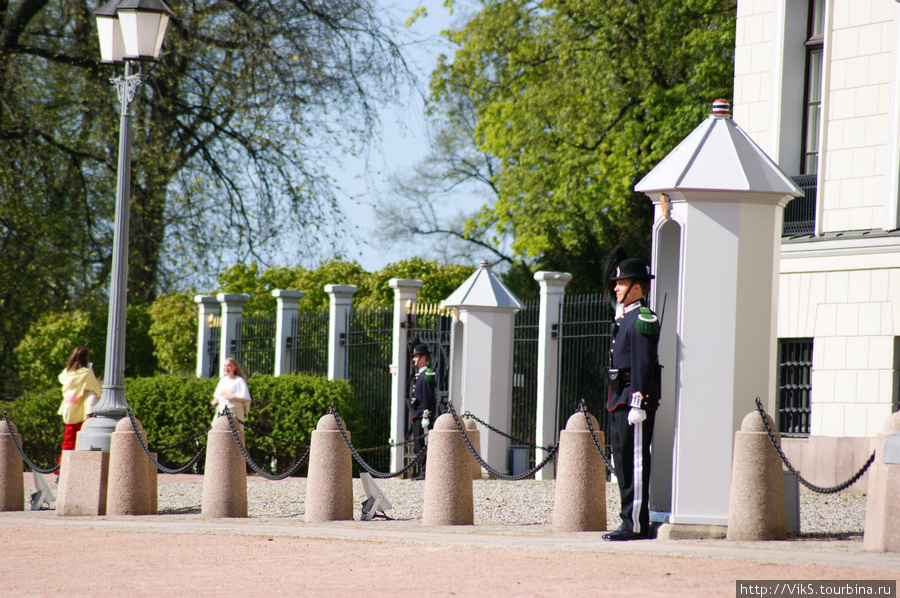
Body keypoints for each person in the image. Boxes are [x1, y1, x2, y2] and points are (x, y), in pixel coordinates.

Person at [603, 257, 660, 541]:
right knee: (623, 463)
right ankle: (629, 520)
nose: (616, 288)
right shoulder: (625, 317)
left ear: (637, 287)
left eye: (621, 283)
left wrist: (638, 401)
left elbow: (643, 364)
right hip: (618, 399)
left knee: (635, 462)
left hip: (632, 401)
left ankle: (636, 524)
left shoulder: (642, 319)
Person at [57, 347, 103, 466]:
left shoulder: (66, 373)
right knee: (82, 442)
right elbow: (96, 389)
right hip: (81, 411)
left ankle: (60, 470)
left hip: (69, 408)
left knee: (67, 442)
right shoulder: (86, 373)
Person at [407, 343, 436, 480]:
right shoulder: (420, 374)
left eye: (416, 356)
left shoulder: (427, 374)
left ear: (423, 358)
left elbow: (428, 396)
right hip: (416, 415)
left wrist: (426, 414)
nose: (414, 359)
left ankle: (426, 473)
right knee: (418, 446)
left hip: (421, 415)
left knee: (424, 445)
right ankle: (422, 471)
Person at [211, 358, 251, 429]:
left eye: (229, 365)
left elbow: (246, 399)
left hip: (234, 412)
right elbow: (218, 396)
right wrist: (215, 400)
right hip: (221, 411)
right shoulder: (222, 381)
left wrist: (232, 398)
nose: (226, 368)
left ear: (235, 367)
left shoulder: (239, 381)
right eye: (225, 365)